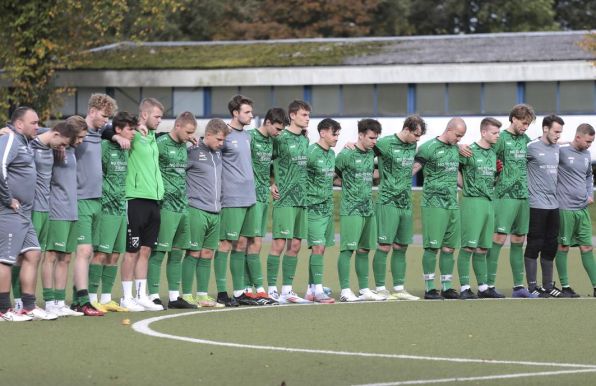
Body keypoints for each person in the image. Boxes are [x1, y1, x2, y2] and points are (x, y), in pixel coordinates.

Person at [5, 119, 77, 313]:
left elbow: (51, 131)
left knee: (35, 256)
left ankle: (28, 302)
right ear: (55, 135)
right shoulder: (29, 143)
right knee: (23, 256)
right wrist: (7, 129)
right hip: (31, 208)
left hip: (46, 209)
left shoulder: (51, 147)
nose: (63, 148)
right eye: (62, 143)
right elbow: (20, 134)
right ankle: (19, 301)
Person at [103, 98, 165, 311]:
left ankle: (141, 295)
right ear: (145, 115)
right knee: (132, 250)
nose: (160, 121)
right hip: (135, 199)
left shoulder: (153, 137)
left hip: (154, 200)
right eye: (157, 116)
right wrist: (115, 136)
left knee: (145, 250)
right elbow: (105, 130)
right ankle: (126, 297)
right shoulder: (133, 134)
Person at [0, 107, 56, 321]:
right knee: (5, 259)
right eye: (33, 123)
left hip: (24, 213)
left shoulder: (25, 142)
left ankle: (28, 306)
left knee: (33, 253)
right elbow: (0, 167)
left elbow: (51, 131)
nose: (37, 126)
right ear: (19, 124)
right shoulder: (10, 139)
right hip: (9, 211)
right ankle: (3, 310)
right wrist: (7, 199)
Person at [71, 93, 117, 315]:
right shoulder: (76, 132)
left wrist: (114, 135)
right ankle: (82, 300)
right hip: (79, 199)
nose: (106, 121)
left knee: (89, 252)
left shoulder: (100, 132)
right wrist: (10, 129)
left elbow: (108, 130)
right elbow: (51, 132)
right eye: (104, 116)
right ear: (91, 112)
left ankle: (76, 298)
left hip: (97, 200)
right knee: (84, 250)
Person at [372, 115, 426, 301]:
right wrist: (350, 144)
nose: (418, 139)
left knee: (401, 246)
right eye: (416, 135)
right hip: (387, 201)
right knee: (384, 246)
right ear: (407, 130)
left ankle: (399, 288)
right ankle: (380, 288)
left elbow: (412, 165)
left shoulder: (412, 146)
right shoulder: (385, 143)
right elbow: (362, 155)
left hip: (406, 202)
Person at [146, 112, 197, 309]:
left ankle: (175, 297)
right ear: (177, 126)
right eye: (188, 131)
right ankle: (153, 295)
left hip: (183, 207)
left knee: (177, 253)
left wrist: (192, 139)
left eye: (193, 132)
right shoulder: (160, 144)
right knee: (159, 253)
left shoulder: (185, 145)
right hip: (165, 207)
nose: (190, 135)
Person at [88, 112, 138, 312]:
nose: (133, 133)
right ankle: (91, 298)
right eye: (130, 129)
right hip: (106, 208)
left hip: (121, 208)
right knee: (101, 253)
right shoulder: (104, 146)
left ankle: (107, 298)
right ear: (118, 130)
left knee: (116, 254)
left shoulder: (126, 147)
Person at [413, 117, 467, 300]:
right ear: (449, 130)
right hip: (433, 204)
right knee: (432, 247)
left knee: (449, 248)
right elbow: (413, 169)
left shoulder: (456, 149)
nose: (459, 139)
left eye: (462, 136)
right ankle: (429, 288)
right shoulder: (428, 147)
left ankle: (447, 286)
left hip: (453, 204)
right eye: (458, 135)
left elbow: (456, 173)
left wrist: (467, 187)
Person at [486, 104, 536, 298]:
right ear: (514, 118)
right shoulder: (500, 139)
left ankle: (518, 287)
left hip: (523, 195)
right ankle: (488, 285)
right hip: (504, 195)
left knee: (518, 240)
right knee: (498, 238)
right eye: (524, 123)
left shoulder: (527, 141)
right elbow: (486, 156)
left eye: (528, 124)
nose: (525, 127)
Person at [214, 95, 259, 307]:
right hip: (232, 197)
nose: (251, 115)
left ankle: (239, 292)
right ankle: (222, 292)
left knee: (242, 243)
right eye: (247, 112)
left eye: (251, 112)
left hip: (250, 196)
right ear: (235, 113)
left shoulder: (248, 136)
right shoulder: (224, 134)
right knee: (225, 244)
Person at [239, 108, 287, 305]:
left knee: (253, 244)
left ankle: (250, 288)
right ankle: (252, 288)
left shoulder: (273, 141)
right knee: (249, 243)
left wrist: (271, 182)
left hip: (262, 197)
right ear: (267, 122)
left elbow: (271, 166)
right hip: (247, 197)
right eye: (276, 128)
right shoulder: (249, 137)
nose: (278, 132)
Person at [43, 119, 89, 316]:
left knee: (66, 258)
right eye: (78, 137)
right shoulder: (55, 148)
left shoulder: (70, 150)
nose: (80, 142)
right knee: (51, 256)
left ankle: (60, 302)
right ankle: (48, 301)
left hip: (72, 210)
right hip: (57, 209)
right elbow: (45, 132)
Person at [335, 119, 385, 302]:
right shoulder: (346, 154)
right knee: (347, 250)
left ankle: (364, 289)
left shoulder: (373, 152)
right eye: (371, 138)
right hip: (351, 209)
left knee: (364, 250)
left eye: (376, 138)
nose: (374, 141)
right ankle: (345, 290)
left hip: (367, 209)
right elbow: (331, 175)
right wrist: (348, 185)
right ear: (361, 135)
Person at [267, 100, 311, 304]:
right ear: (292, 116)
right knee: (279, 244)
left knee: (295, 245)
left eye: (308, 115)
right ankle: (270, 290)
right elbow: (264, 161)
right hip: (284, 199)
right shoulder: (280, 137)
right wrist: (270, 183)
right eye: (304, 115)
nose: (307, 118)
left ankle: (287, 290)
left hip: (302, 199)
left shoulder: (305, 140)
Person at [182, 118, 228, 308]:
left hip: (215, 211)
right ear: (207, 135)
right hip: (196, 209)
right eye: (218, 140)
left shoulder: (218, 154)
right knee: (193, 252)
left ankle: (202, 295)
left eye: (223, 140)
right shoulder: (192, 152)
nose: (221, 144)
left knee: (208, 253)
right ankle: (185, 295)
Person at [457, 117, 501, 299]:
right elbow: (454, 169)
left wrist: (498, 173)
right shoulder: (469, 150)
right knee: (468, 247)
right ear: (483, 132)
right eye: (494, 132)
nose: (497, 136)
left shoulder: (493, 153)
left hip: (488, 203)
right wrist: (464, 186)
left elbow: (493, 180)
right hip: (472, 202)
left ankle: (483, 288)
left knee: (483, 248)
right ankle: (465, 287)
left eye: (498, 133)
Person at [525, 114, 564, 297]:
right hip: (536, 204)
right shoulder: (531, 148)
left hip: (553, 205)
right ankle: (533, 287)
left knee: (551, 245)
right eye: (556, 131)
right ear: (545, 129)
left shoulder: (557, 148)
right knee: (535, 244)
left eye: (560, 132)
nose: (558, 135)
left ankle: (548, 285)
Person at [555, 123, 596, 298]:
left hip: (582, 209)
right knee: (563, 246)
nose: (589, 145)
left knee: (587, 247)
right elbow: (539, 144)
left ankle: (595, 286)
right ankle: (565, 286)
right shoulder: (561, 150)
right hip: (565, 209)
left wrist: (589, 194)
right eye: (587, 141)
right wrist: (561, 141)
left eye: (592, 142)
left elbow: (588, 176)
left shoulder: (587, 154)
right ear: (578, 136)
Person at [303, 118, 341, 304]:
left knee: (321, 248)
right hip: (312, 207)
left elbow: (330, 178)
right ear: (323, 133)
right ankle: (318, 292)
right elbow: (295, 172)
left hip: (327, 208)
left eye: (338, 134)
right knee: (317, 247)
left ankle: (311, 289)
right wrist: (274, 184)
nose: (337, 138)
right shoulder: (310, 152)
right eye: (334, 134)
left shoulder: (332, 154)